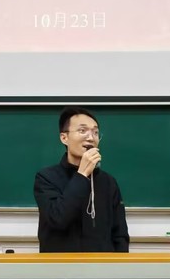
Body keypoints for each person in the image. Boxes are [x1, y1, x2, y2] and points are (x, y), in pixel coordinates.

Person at [34, 107, 130, 253]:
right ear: (64, 138)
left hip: (101, 264)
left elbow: (120, 234)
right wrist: (82, 174)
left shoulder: (108, 182)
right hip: (60, 264)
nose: (91, 138)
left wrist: (118, 263)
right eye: (82, 130)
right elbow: (57, 219)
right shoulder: (46, 177)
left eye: (95, 132)